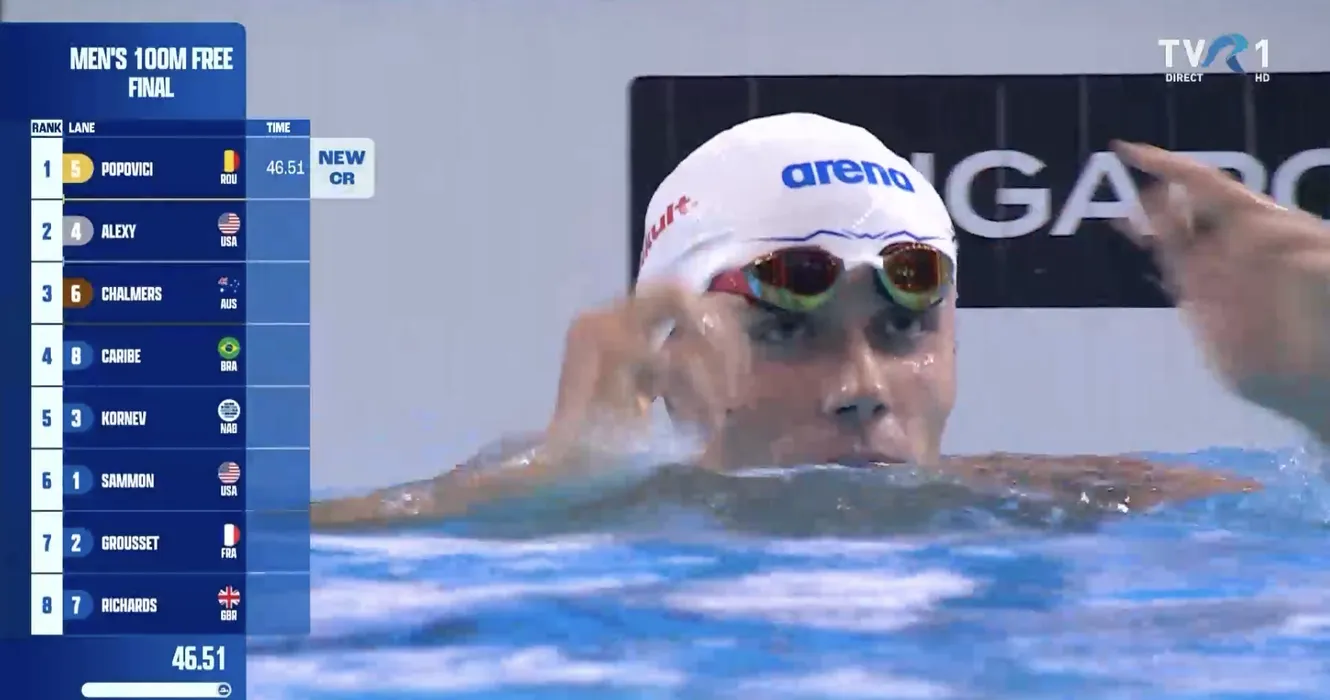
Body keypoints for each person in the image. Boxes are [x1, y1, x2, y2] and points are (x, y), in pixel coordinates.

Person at [312, 113, 1329, 528]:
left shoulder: (1067, 504)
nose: (862, 390)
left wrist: (1318, 402)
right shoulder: (546, 516)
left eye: (902, 329)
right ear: (665, 362)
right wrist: (547, 498)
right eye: (787, 332)